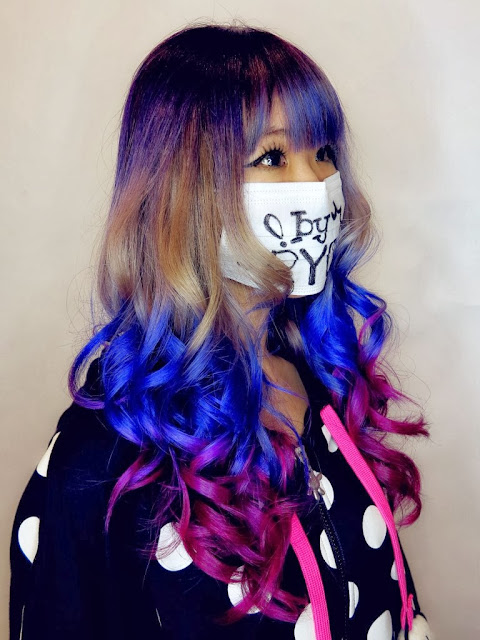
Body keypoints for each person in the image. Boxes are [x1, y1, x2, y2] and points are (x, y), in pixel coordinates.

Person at [9, 22, 435, 640]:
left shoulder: (322, 383)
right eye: (272, 157)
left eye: (324, 152)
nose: (316, 186)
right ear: (182, 188)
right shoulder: (103, 455)